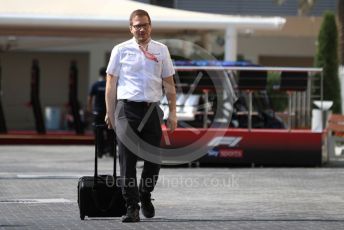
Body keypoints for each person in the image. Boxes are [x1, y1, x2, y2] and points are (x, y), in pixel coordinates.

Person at [105, 9, 177, 223]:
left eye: (144, 24)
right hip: (126, 110)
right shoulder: (120, 50)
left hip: (152, 110)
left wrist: (173, 112)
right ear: (131, 28)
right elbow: (111, 83)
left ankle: (145, 194)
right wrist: (110, 112)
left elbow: (169, 83)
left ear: (150, 26)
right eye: (137, 25)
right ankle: (131, 207)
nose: (141, 28)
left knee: (154, 160)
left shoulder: (161, 50)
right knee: (127, 162)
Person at [87, 67, 114, 157]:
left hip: (97, 112)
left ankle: (100, 152)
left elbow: (90, 97)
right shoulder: (108, 84)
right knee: (110, 132)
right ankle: (111, 151)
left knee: (98, 133)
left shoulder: (95, 85)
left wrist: (89, 108)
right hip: (107, 112)